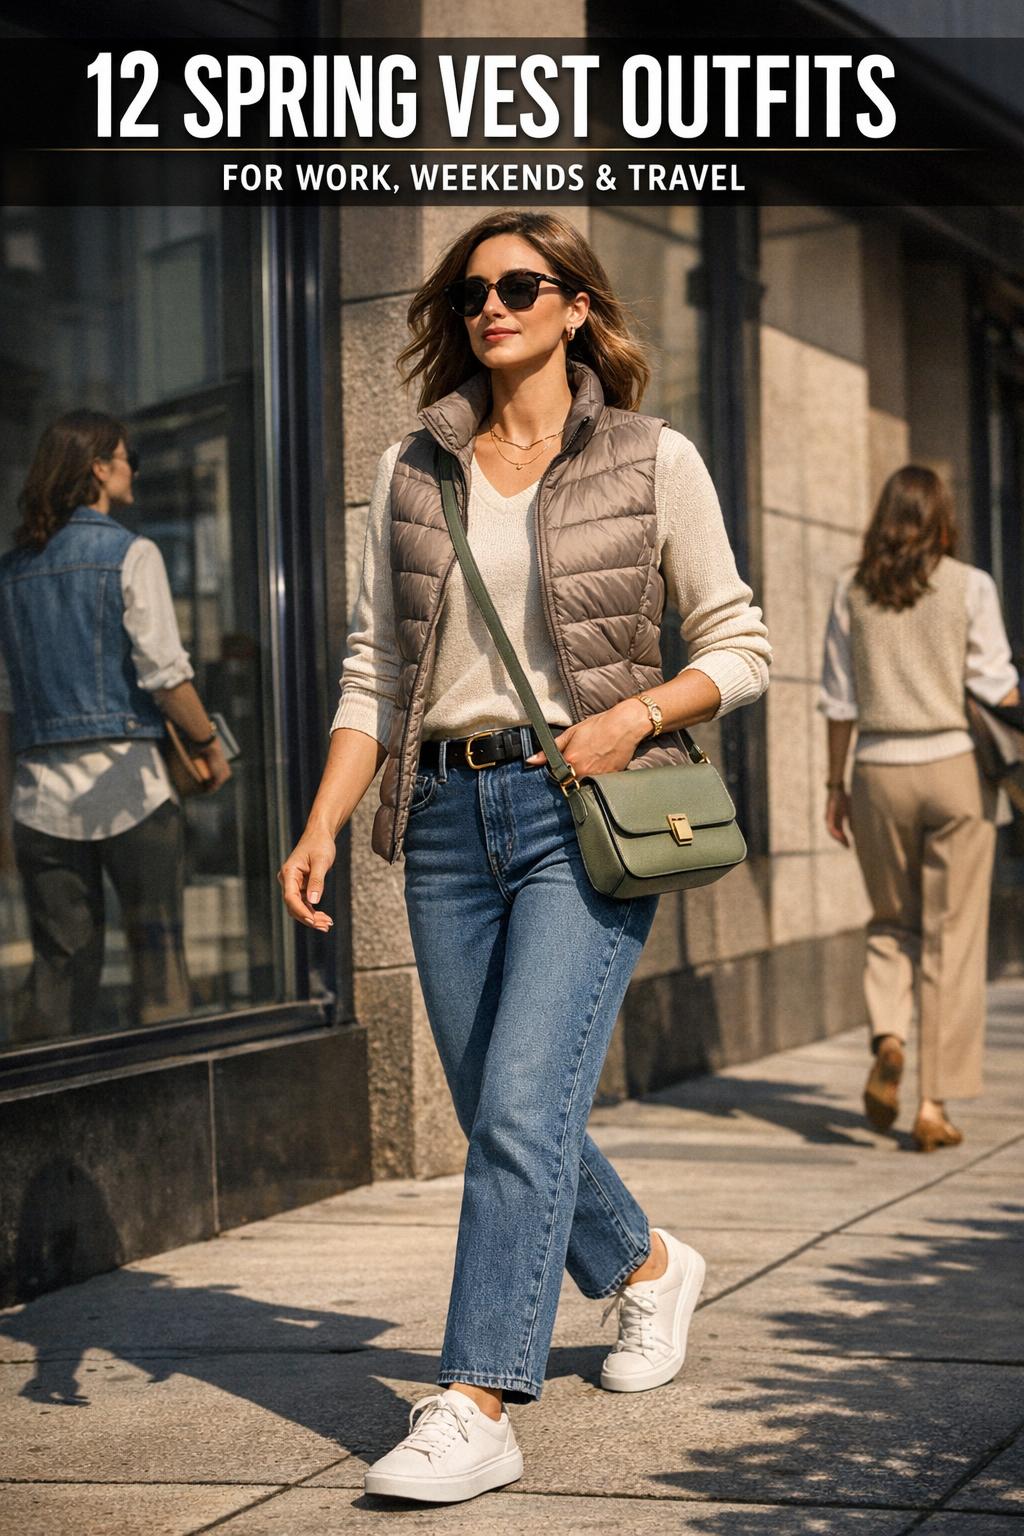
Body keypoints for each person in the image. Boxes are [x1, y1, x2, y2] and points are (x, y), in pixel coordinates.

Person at [279, 210, 771, 1504]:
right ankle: (649, 1267)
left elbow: (740, 646)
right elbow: (375, 671)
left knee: (513, 1110)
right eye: (471, 290)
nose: (490, 305)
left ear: (574, 306)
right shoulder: (413, 469)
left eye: (518, 284)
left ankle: (478, 1400)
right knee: (510, 1105)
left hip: (583, 814)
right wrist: (323, 820)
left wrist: (634, 716)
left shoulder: (651, 457)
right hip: (445, 822)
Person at [0, 409, 232, 1042]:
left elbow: (6, 702)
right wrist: (208, 746)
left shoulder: (12, 572)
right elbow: (165, 674)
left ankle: (57, 1094)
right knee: (158, 965)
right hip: (132, 791)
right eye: (130, 459)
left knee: (59, 972)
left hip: (39, 800)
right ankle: (162, 1086)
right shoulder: (132, 553)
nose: (135, 470)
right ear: (100, 468)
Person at [819, 464, 1020, 1152]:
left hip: (878, 770)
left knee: (890, 922)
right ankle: (932, 1105)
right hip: (956, 769)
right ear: (941, 520)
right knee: (952, 938)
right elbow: (996, 683)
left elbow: (839, 701)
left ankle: (889, 1037)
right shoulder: (971, 585)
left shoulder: (852, 589)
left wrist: (835, 785)